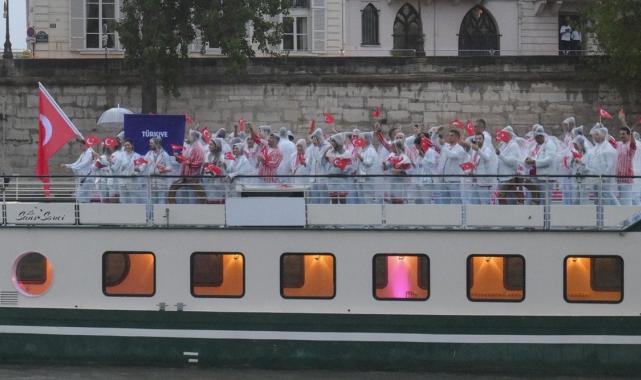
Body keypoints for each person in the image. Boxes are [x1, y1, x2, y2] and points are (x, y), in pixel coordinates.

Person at [586, 125, 619, 205]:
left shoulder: (608, 148)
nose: (594, 137)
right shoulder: (595, 148)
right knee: (597, 199)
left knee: (606, 198)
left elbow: (610, 165)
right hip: (595, 179)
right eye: (594, 135)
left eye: (597, 134)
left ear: (603, 135)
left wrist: (603, 174)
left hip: (604, 180)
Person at [524, 126, 558, 205]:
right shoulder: (539, 146)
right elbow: (538, 157)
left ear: (540, 136)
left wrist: (534, 162)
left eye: (536, 138)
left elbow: (549, 160)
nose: (535, 141)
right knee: (536, 199)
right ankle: (539, 216)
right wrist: (530, 160)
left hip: (546, 178)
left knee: (545, 201)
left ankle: (546, 217)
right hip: (538, 177)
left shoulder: (549, 144)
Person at [62, 137, 100, 203]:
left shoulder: (90, 153)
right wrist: (67, 165)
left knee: (84, 197)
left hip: (88, 178)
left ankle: (85, 211)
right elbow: (76, 163)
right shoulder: (83, 153)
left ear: (85, 145)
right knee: (80, 196)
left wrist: (70, 167)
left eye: (81, 145)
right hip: (83, 178)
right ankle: (83, 210)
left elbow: (83, 164)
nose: (80, 147)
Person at [435, 129, 467, 204]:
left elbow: (451, 155)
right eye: (448, 135)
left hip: (454, 181)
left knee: (456, 203)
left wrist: (443, 146)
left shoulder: (460, 149)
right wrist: (436, 133)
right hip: (444, 180)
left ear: (457, 137)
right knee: (444, 203)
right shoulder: (446, 146)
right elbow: (434, 141)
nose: (449, 137)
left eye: (452, 135)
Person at [496, 126, 525, 205]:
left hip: (509, 179)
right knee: (502, 202)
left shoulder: (514, 146)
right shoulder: (503, 145)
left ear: (509, 135)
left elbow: (512, 162)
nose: (501, 136)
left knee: (510, 201)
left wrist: (500, 154)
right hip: (501, 179)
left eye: (503, 134)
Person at [469, 132, 498, 205]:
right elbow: (473, 162)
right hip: (475, 181)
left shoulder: (487, 149)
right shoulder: (473, 150)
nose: (478, 140)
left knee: (484, 204)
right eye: (476, 139)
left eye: (480, 139)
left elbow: (487, 158)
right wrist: (470, 171)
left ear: (483, 140)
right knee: (474, 204)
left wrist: (478, 150)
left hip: (484, 182)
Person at [324, 133, 354, 204]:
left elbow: (350, 167)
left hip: (342, 180)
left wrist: (341, 166)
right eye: (331, 141)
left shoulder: (346, 153)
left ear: (338, 141)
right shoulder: (329, 152)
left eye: (333, 141)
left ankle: (343, 214)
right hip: (332, 180)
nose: (332, 143)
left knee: (342, 200)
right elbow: (326, 165)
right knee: (333, 200)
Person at [141, 137, 172, 204]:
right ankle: (153, 214)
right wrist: (137, 170)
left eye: (151, 143)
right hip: (151, 181)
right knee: (152, 200)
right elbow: (143, 164)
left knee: (162, 200)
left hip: (161, 181)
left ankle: (160, 214)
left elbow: (169, 168)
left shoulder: (165, 154)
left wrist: (162, 170)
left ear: (157, 144)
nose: (149, 144)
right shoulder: (149, 154)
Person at [112, 139, 143, 204]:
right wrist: (110, 162)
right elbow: (115, 168)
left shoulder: (137, 156)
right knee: (123, 200)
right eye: (125, 145)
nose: (127, 147)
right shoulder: (120, 156)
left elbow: (141, 167)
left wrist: (135, 173)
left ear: (132, 145)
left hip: (133, 181)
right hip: (122, 181)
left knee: (134, 200)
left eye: (128, 145)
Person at [384, 139, 412, 204]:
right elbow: (387, 166)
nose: (391, 148)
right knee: (393, 200)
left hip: (400, 182)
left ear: (397, 147)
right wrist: (384, 165)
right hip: (393, 181)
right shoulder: (391, 155)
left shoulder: (404, 157)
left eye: (393, 146)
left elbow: (408, 170)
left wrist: (400, 171)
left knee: (399, 200)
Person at [307, 128, 331, 203]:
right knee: (315, 200)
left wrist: (316, 145)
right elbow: (311, 160)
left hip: (323, 177)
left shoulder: (327, 146)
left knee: (324, 200)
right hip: (315, 178)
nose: (313, 141)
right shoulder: (315, 147)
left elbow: (321, 161)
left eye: (315, 138)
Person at [616, 126, 636, 205]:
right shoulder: (619, 145)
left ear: (629, 135)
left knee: (626, 203)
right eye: (620, 134)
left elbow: (633, 144)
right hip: (618, 179)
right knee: (620, 203)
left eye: (623, 134)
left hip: (627, 179)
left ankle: (629, 218)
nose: (621, 136)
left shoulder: (630, 145)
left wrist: (623, 122)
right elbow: (610, 140)